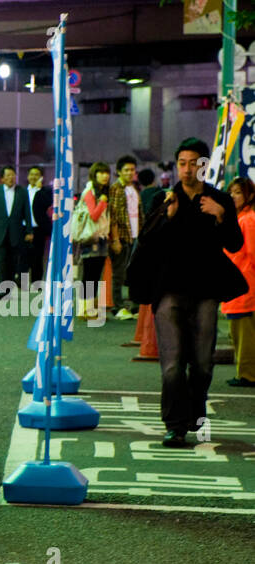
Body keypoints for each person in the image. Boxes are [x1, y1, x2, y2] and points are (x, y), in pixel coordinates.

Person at [134, 138, 246, 447]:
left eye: (193, 163)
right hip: (168, 290)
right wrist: (165, 218)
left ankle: (195, 412)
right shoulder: (163, 199)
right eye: (181, 163)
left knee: (202, 363)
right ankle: (175, 426)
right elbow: (146, 242)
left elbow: (235, 245)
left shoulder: (219, 199)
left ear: (204, 165)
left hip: (206, 291)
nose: (186, 169)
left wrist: (221, 216)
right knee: (171, 364)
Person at [223, 177, 255, 387]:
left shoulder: (247, 220)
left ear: (249, 196)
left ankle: (247, 374)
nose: (233, 197)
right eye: (231, 192)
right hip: (237, 285)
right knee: (240, 334)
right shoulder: (239, 218)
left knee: (244, 336)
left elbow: (252, 254)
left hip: (244, 287)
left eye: (238, 193)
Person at [0, 165, 30, 300]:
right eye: (7, 175)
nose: (11, 178)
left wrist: (29, 231)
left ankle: (8, 289)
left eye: (13, 175)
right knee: (1, 262)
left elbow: (27, 212)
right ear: (2, 178)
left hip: (16, 232)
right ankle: (0, 290)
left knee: (13, 263)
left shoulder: (22, 192)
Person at [74, 162, 112, 318]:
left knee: (95, 274)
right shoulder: (90, 192)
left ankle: (90, 308)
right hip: (91, 238)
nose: (105, 176)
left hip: (101, 237)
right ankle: (83, 309)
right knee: (89, 275)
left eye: (107, 173)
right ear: (94, 175)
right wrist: (103, 201)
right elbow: (94, 215)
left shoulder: (102, 191)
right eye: (101, 173)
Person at [108, 155, 141, 319]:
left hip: (134, 236)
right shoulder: (116, 189)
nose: (130, 173)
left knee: (133, 273)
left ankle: (134, 306)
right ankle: (118, 307)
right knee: (118, 273)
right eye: (126, 170)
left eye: (132, 170)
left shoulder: (133, 189)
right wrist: (115, 239)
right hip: (121, 237)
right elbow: (112, 216)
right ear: (119, 172)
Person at [24, 166, 53, 284]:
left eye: (36, 174)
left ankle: (36, 282)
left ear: (41, 177)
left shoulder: (45, 191)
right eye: (31, 174)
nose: (33, 177)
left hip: (39, 229)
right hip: (24, 228)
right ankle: (22, 281)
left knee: (37, 256)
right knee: (24, 256)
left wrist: (40, 190)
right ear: (27, 176)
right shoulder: (22, 191)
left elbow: (49, 203)